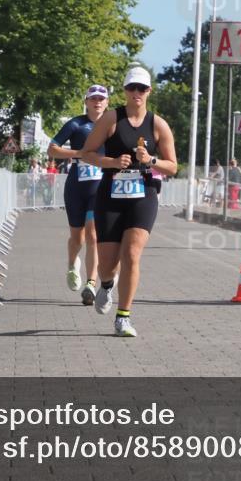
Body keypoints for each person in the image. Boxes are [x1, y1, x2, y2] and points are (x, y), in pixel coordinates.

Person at [79, 67, 178, 337]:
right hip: (110, 193)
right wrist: (111, 162)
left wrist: (151, 161)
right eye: (132, 88)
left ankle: (123, 317)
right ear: (124, 90)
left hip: (143, 194)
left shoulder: (158, 124)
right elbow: (86, 153)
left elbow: (173, 167)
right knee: (108, 265)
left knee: (132, 253)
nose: (137, 93)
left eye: (142, 88)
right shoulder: (111, 119)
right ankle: (108, 285)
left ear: (149, 91)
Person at [48, 85, 110, 304]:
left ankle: (91, 284)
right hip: (76, 185)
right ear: (86, 101)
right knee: (78, 237)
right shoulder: (76, 124)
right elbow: (52, 149)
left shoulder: (111, 126)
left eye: (101, 99)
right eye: (93, 98)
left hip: (100, 188)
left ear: (107, 103)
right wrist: (80, 154)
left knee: (93, 235)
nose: (97, 102)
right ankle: (72, 264)